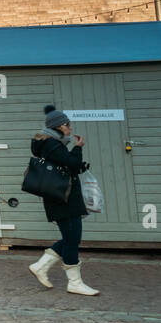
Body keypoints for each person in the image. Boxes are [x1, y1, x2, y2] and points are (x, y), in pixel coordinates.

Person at [26, 105, 98, 296]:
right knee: (72, 239)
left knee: (71, 237)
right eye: (67, 125)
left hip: (61, 197)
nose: (70, 128)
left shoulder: (52, 144)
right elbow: (70, 164)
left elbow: (66, 165)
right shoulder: (52, 144)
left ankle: (41, 266)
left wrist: (76, 160)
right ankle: (74, 283)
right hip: (62, 198)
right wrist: (78, 148)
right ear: (58, 126)